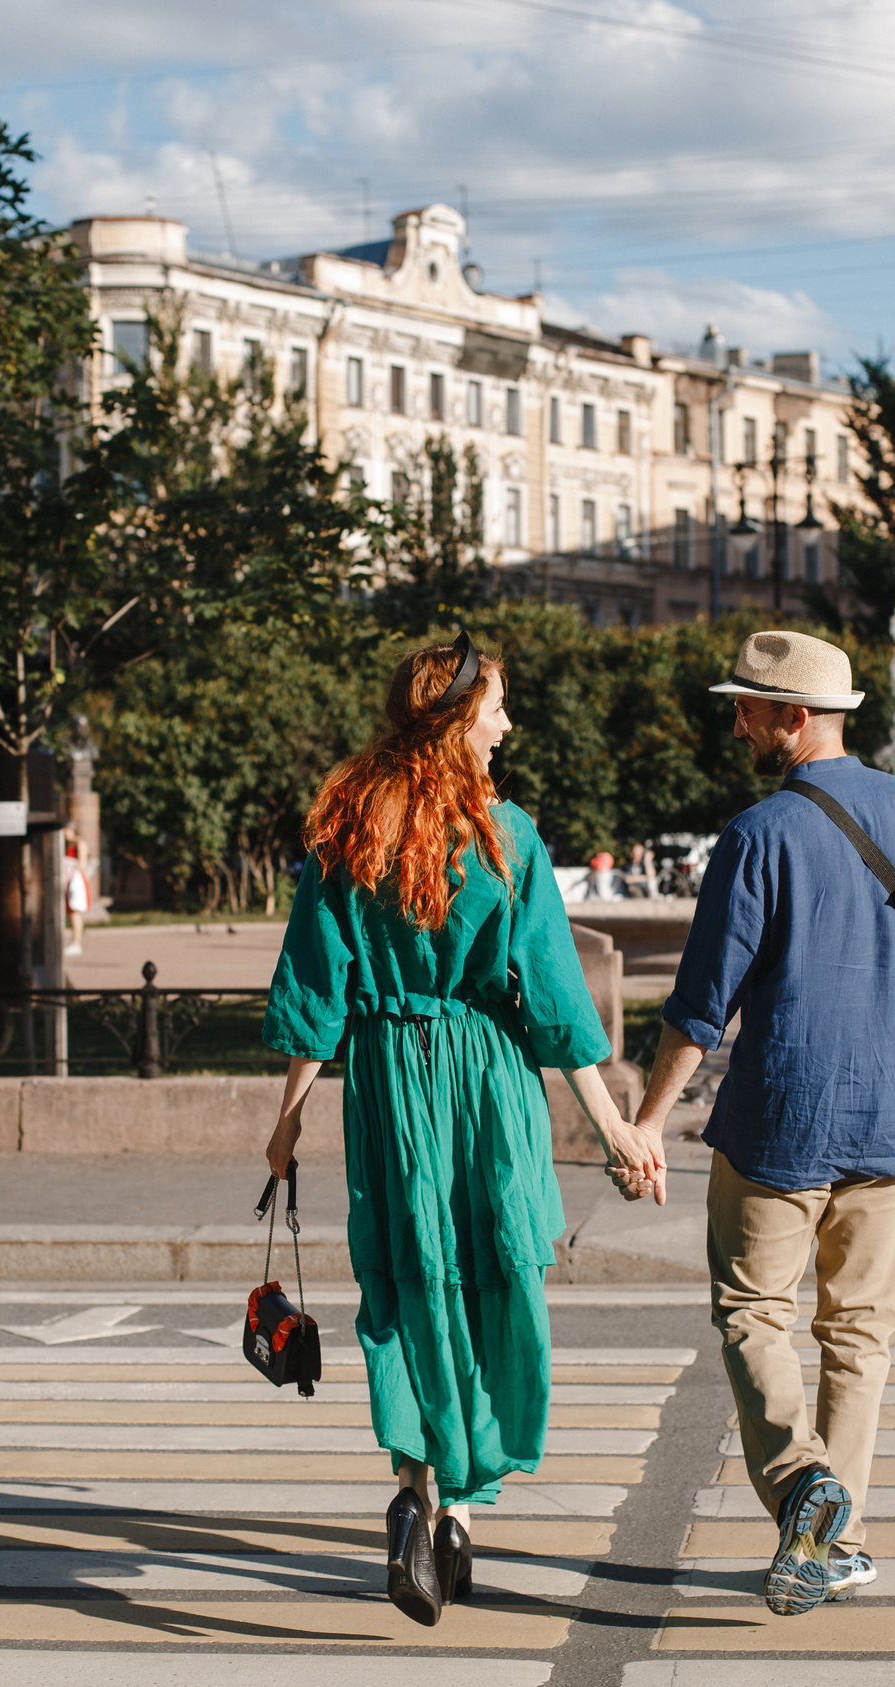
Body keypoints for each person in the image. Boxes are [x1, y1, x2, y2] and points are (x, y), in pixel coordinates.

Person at [262, 633, 665, 1629]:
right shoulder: (506, 834)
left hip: (390, 1077)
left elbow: (318, 992)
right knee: (495, 1276)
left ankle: (418, 1493)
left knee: (406, 1281)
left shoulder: (345, 828)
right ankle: (466, 1511)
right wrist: (613, 1124)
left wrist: (285, 1126)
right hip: (487, 1077)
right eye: (496, 707)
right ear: (455, 718)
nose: (507, 722)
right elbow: (554, 1001)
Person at [628, 629, 895, 1617]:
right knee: (859, 1337)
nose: (735, 721)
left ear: (793, 718)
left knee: (750, 1315)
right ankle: (844, 1538)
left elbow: (701, 1005)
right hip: (893, 1123)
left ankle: (800, 1487)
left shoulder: (757, 835)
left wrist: (648, 1120)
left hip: (781, 1121)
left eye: (746, 706)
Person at [63, 838, 90, 957]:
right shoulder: (65, 844)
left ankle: (76, 943)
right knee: (70, 912)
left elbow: (82, 865)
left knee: (74, 911)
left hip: (76, 880)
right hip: (67, 880)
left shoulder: (80, 843)